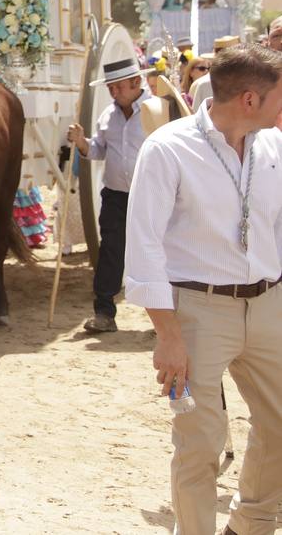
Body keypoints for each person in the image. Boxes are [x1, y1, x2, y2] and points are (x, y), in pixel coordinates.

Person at [124, 45, 282, 535]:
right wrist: (167, 335)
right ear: (250, 99)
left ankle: (249, 526)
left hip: (269, 304)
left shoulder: (273, 146)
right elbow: (144, 244)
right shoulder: (168, 149)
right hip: (195, 312)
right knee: (200, 444)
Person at [66, 57, 150, 334]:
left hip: (151, 196)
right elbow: (99, 150)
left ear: (136, 82)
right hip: (115, 195)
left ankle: (169, 316)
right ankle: (104, 312)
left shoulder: (157, 110)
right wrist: (81, 143)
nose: (114, 93)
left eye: (119, 87)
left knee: (159, 252)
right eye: (111, 88)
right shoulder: (108, 115)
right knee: (111, 251)